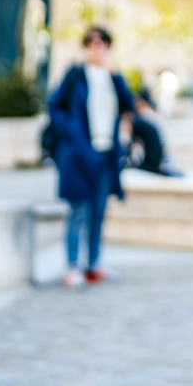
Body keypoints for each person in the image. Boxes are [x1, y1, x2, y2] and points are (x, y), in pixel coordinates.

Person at [47, 27, 137, 288]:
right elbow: (55, 106)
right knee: (78, 209)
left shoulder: (112, 76)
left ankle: (94, 262)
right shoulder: (76, 75)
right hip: (78, 153)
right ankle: (72, 264)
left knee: (99, 209)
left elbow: (128, 104)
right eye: (91, 42)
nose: (97, 47)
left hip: (106, 153)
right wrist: (71, 132)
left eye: (102, 42)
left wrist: (115, 74)